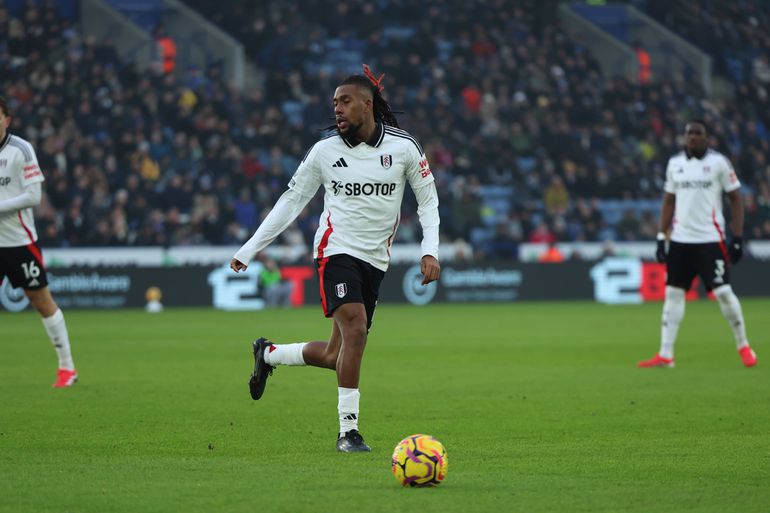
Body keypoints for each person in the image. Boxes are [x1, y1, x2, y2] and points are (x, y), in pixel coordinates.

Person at [230, 65, 440, 452]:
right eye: (334, 103)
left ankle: (269, 354)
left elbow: (428, 201)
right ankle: (348, 432)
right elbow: (291, 201)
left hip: (376, 260)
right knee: (356, 330)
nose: (337, 109)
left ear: (367, 104)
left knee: (335, 354)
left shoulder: (404, 148)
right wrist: (250, 248)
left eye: (345, 101)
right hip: (335, 251)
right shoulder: (324, 152)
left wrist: (430, 250)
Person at [639, 120, 757, 368]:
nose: (692, 137)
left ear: (706, 137)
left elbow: (735, 199)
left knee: (723, 292)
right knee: (673, 294)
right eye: (689, 133)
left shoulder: (719, 163)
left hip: (710, 240)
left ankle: (743, 345)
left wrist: (737, 237)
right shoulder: (675, 163)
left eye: (697, 133)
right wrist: (661, 236)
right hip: (680, 240)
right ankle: (666, 354)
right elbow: (669, 201)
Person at [0, 96, 78, 387]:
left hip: (19, 242)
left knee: (41, 301)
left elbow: (34, 196)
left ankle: (67, 367)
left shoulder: (21, 150)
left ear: (7, 120)